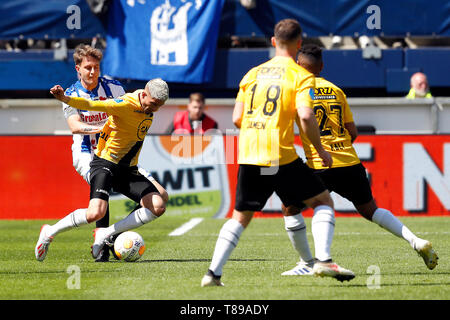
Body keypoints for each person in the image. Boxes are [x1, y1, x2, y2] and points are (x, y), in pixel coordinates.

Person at [201, 19, 355, 287]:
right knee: (323, 202)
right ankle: (323, 260)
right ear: (299, 44)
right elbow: (306, 116)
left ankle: (213, 274)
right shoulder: (300, 75)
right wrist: (320, 149)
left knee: (240, 217)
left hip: (249, 152)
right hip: (279, 152)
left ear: (273, 42)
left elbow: (237, 118)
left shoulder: (251, 74)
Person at [280, 44, 438, 276]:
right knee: (370, 209)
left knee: (290, 206)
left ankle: (310, 262)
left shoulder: (296, 91)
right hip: (350, 163)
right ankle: (416, 241)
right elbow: (352, 132)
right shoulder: (336, 91)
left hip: (319, 163)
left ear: (297, 66)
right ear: (322, 66)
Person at [35, 78, 170, 262]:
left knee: (158, 204)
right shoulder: (125, 103)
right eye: (153, 104)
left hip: (127, 169)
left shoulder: (147, 102)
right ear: (144, 95)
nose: (154, 109)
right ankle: (50, 231)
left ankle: (106, 233)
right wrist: (65, 99)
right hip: (105, 163)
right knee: (95, 213)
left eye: (159, 107)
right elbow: (92, 103)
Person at [62, 44, 168, 262]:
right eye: (88, 67)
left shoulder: (114, 87)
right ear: (78, 69)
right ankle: (100, 249)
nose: (92, 72)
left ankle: (112, 235)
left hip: (118, 152)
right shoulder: (71, 94)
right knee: (102, 197)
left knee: (162, 196)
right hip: (87, 152)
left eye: (96, 67)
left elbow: (132, 109)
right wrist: (101, 129)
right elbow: (75, 126)